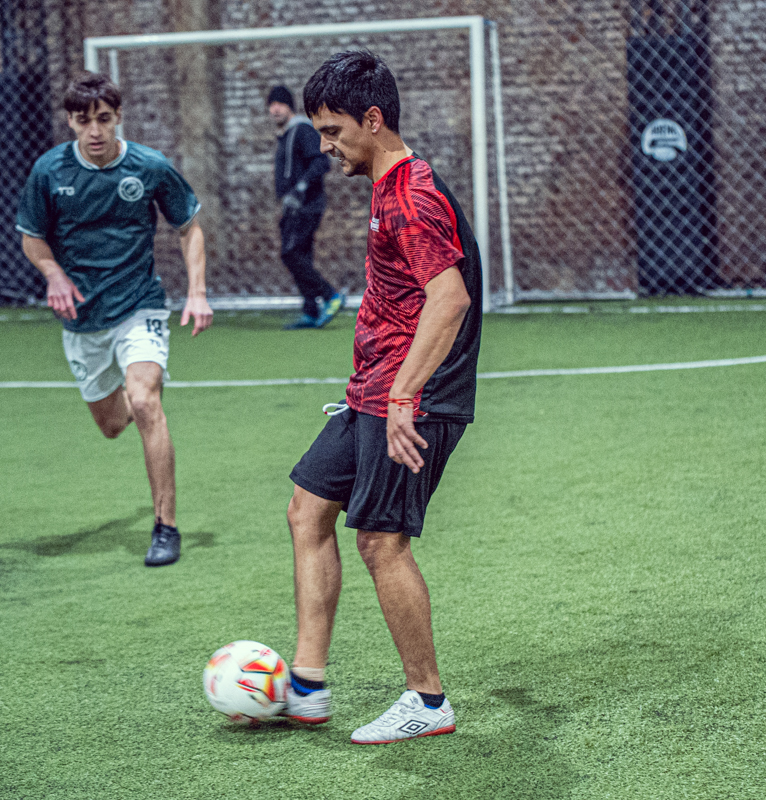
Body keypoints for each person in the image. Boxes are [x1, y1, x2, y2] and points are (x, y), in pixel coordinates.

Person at [279, 52, 483, 744]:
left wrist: (403, 396)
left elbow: (449, 299)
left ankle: (428, 701)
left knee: (380, 541)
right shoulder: (386, 185)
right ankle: (307, 685)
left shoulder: (411, 196)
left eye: (332, 131)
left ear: (373, 119)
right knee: (308, 508)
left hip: (414, 399)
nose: (324, 146)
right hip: (374, 389)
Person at [15, 72, 213, 568]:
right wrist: (53, 274)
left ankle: (165, 527)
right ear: (70, 121)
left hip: (139, 305)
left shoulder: (150, 166)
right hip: (84, 319)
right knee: (111, 425)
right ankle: (137, 385)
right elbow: (32, 238)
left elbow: (189, 228)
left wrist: (197, 292)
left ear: (118, 116)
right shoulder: (49, 171)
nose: (95, 130)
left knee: (145, 402)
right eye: (84, 121)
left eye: (104, 119)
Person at [267, 85, 345, 329]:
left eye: (280, 104)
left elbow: (321, 162)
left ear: (290, 106)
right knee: (302, 255)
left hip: (306, 205)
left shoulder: (302, 130)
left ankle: (331, 296)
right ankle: (311, 311)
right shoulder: (286, 136)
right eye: (272, 105)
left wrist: (300, 189)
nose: (275, 109)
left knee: (290, 253)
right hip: (293, 207)